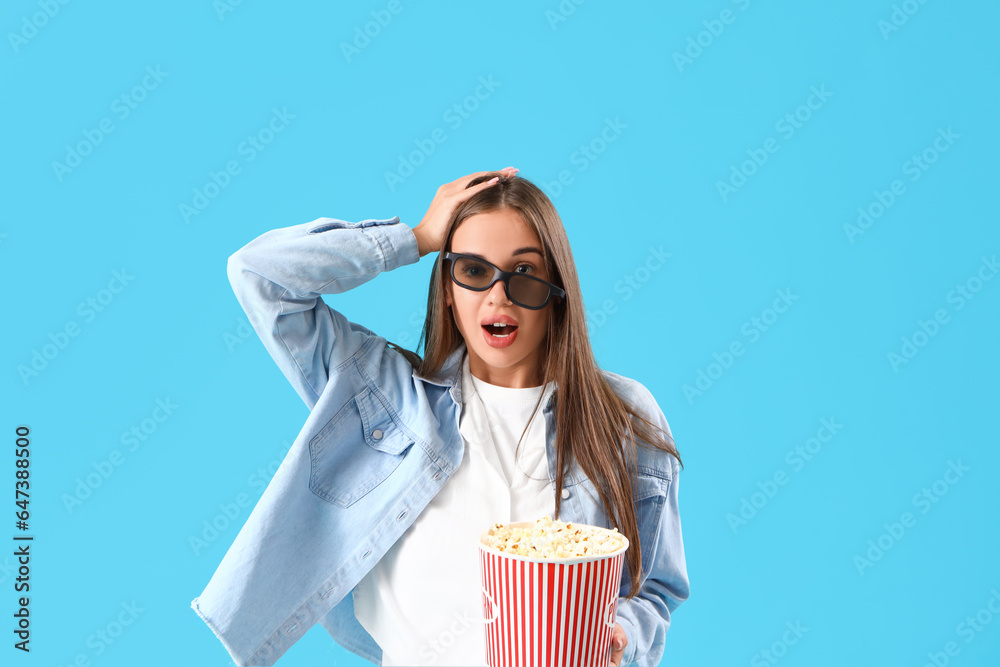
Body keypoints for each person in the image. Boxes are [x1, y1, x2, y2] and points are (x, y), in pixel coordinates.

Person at [191, 168, 690, 667]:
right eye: (474, 271)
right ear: (448, 290)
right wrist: (415, 238)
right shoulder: (384, 396)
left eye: (524, 274)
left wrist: (621, 635)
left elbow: (654, 588)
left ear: (557, 291)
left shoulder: (623, 417)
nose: (499, 296)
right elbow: (259, 274)